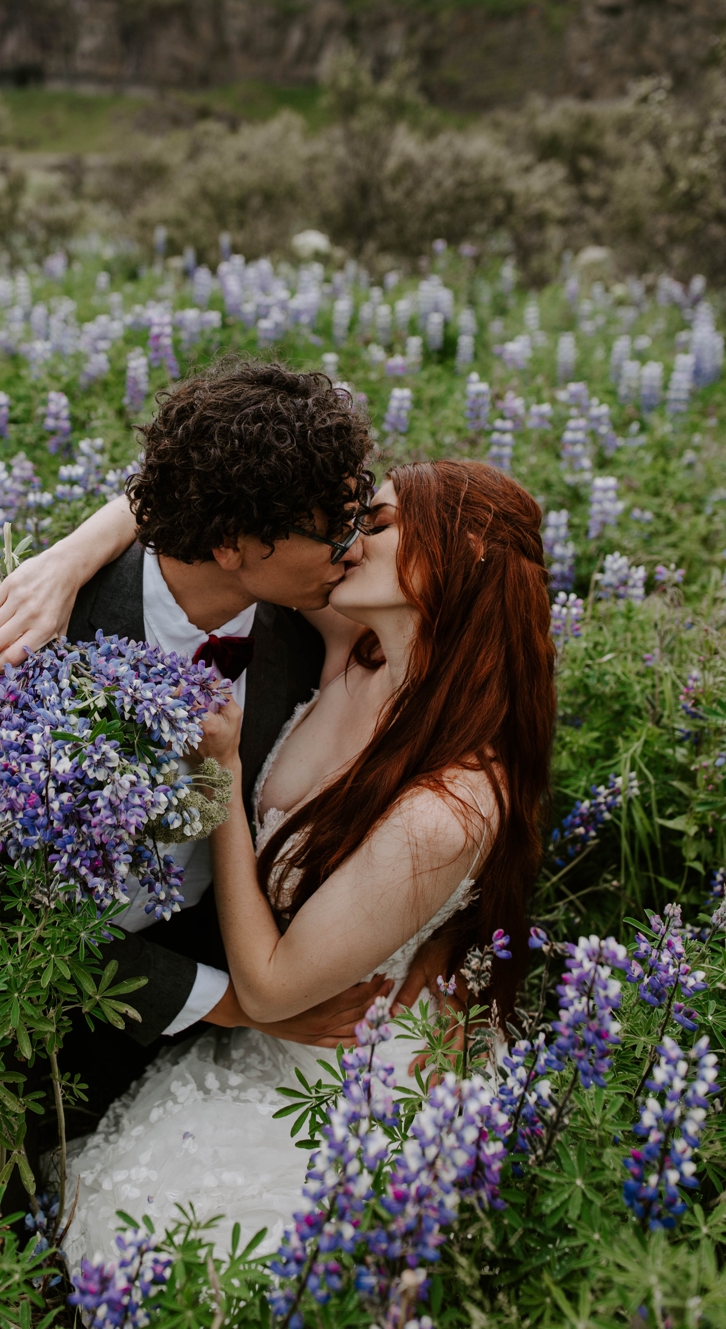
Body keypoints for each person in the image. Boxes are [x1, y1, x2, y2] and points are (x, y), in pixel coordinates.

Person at [0, 361, 430, 1202]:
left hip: (190, 944)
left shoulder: (316, 613)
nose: (354, 546)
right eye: (331, 531)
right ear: (233, 546)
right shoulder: (16, 640)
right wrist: (235, 1005)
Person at [55, 458, 553, 1263]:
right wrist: (71, 555)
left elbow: (267, 986)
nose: (350, 541)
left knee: (177, 1250)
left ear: (457, 556)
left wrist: (222, 781)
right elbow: (221, 508)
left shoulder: (447, 808)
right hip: (270, 1042)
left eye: (381, 526)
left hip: (339, 1075)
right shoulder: (358, 644)